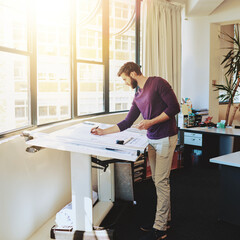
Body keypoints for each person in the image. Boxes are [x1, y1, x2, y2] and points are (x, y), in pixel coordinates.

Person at [91, 62, 180, 240]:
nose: (124, 82)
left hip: (165, 137)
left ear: (133, 73)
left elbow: (174, 108)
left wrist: (149, 122)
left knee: (161, 182)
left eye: (125, 79)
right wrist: (103, 131)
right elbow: (127, 121)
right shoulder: (137, 93)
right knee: (157, 180)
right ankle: (165, 219)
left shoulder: (158, 83)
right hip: (152, 139)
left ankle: (160, 227)